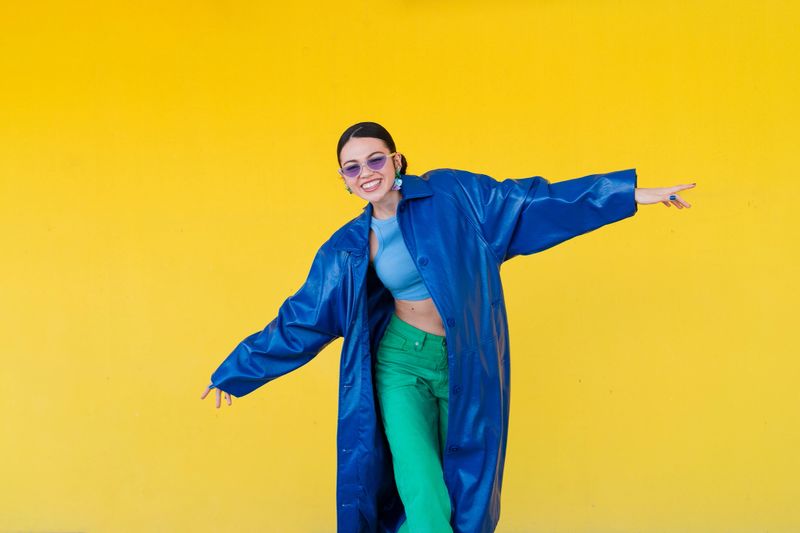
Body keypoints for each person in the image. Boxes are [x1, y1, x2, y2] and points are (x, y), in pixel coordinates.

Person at [200, 121, 695, 533]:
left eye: (375, 160)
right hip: (399, 365)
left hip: (465, 363)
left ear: (397, 160)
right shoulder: (347, 247)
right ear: (344, 180)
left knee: (467, 498)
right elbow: (302, 317)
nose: (366, 173)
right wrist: (236, 371)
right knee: (424, 493)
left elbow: (531, 201)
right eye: (352, 168)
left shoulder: (454, 197)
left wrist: (626, 194)